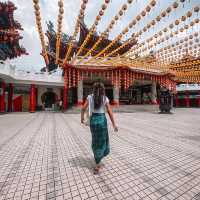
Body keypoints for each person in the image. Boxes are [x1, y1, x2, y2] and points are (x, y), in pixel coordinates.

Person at [81, 82, 118, 174]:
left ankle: (97, 161)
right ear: (103, 90)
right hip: (102, 120)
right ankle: (98, 162)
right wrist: (114, 124)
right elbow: (109, 111)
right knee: (102, 141)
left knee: (95, 140)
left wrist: (82, 118)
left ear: (93, 89)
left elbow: (83, 108)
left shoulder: (89, 97)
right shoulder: (105, 98)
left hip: (93, 120)